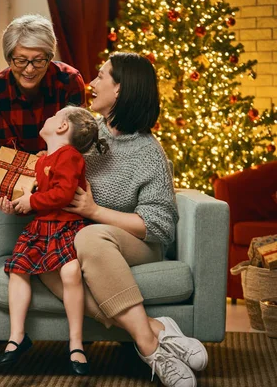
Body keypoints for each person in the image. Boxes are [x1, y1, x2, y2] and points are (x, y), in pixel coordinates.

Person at [37, 53, 207, 387]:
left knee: (91, 236)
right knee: (45, 264)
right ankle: (156, 330)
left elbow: (159, 226)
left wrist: (94, 211)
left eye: (101, 77)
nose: (92, 83)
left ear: (120, 89)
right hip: (82, 242)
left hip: (137, 245)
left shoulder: (148, 152)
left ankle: (148, 348)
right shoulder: (84, 134)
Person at [0, 106, 108, 376]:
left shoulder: (70, 156)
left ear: (62, 127)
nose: (46, 117)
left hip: (66, 227)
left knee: (70, 272)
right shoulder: (43, 159)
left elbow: (63, 194)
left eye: (53, 116)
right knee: (18, 270)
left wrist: (31, 200)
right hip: (40, 228)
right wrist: (18, 205)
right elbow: (41, 197)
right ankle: (17, 337)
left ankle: (76, 342)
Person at [0, 14, 86, 155]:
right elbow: (7, 150)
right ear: (9, 59)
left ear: (49, 57)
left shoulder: (70, 81)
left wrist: (49, 160)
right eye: (21, 60)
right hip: (16, 167)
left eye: (38, 60)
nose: (30, 69)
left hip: (60, 164)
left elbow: (76, 141)